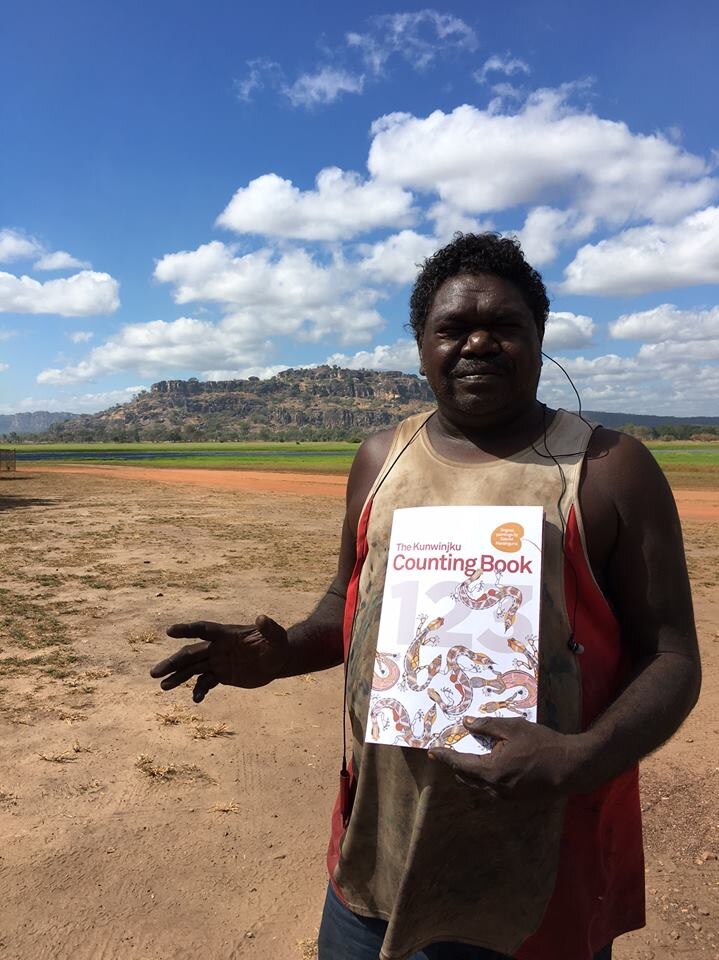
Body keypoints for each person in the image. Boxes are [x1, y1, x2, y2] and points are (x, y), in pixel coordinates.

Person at [150, 233, 700, 960]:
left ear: (540, 339)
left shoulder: (607, 469)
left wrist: (583, 756)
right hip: (379, 840)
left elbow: (670, 655)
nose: (478, 343)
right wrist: (279, 657)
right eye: (452, 328)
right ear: (419, 345)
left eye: (504, 326)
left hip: (542, 845)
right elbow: (346, 604)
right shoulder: (382, 457)